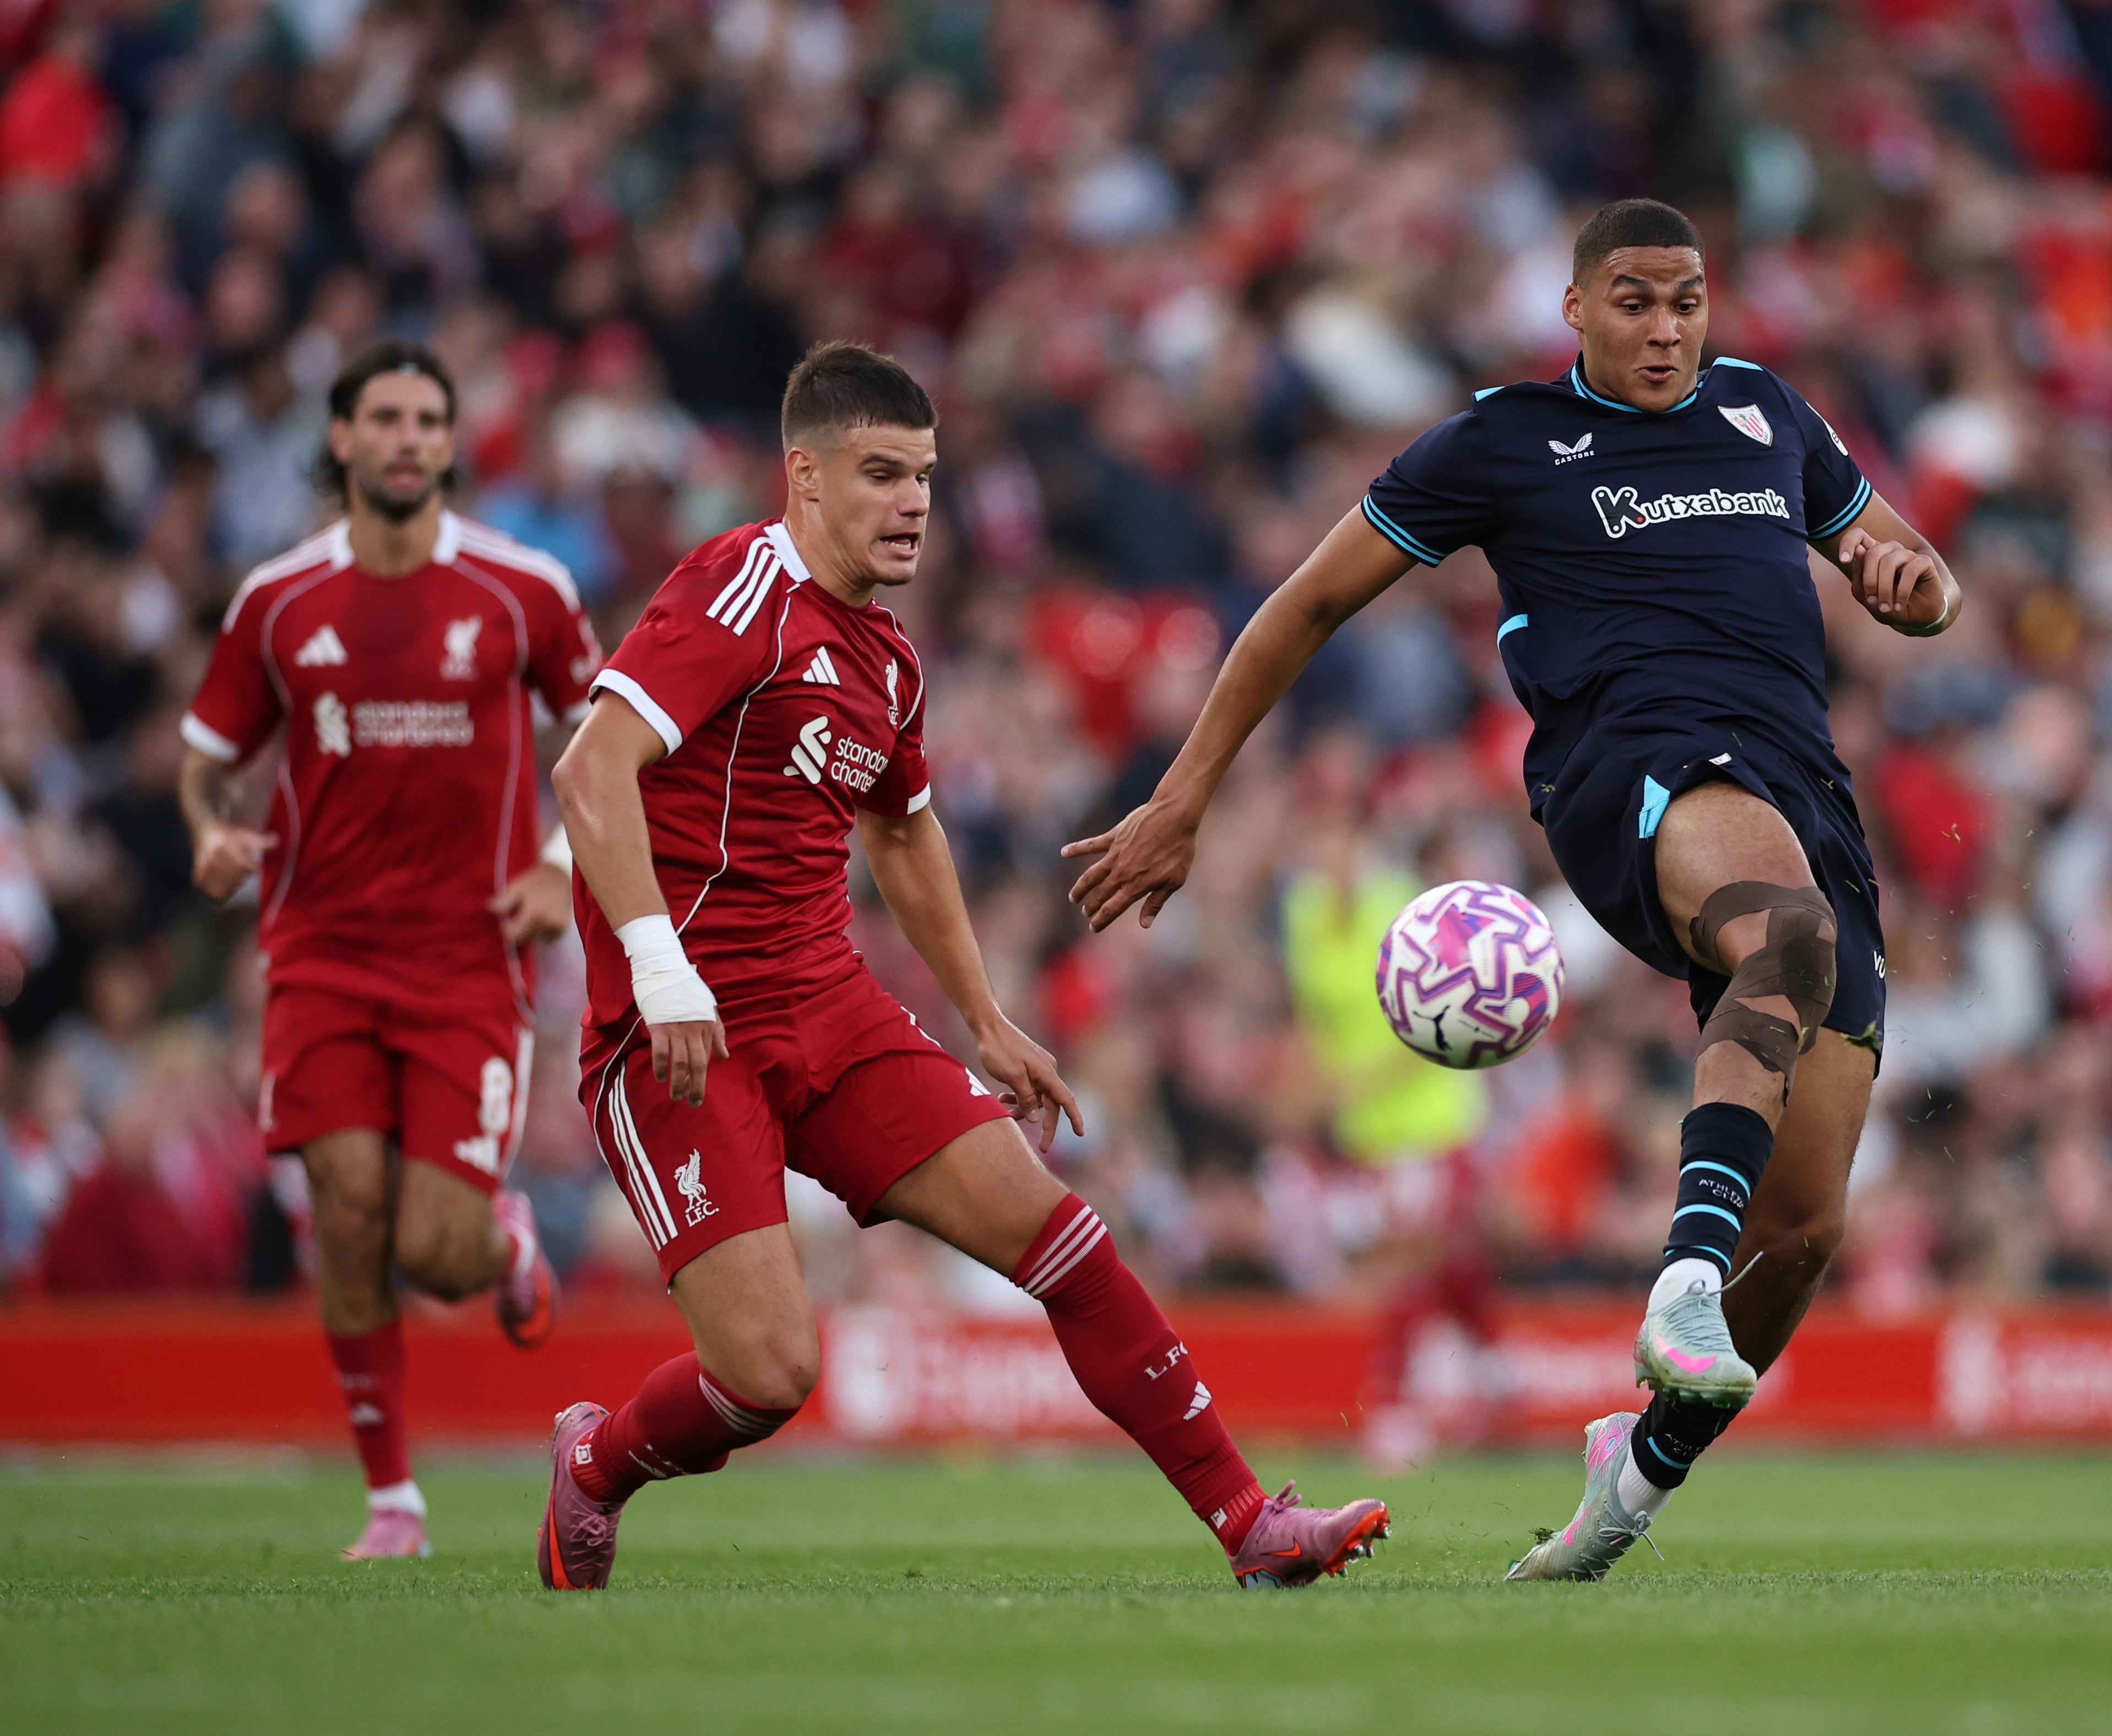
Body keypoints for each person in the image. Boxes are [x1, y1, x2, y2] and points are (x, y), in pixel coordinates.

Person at [1063, 199, 1962, 1581]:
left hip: (1804, 791)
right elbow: (1302, 601)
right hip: (1632, 766)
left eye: (1685, 302)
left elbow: (1908, 573)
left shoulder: (1767, 416)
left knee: (1801, 1232)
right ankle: (1676, 1282)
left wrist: (1915, 588)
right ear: (1573, 307)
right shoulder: (1502, 441)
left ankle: (1632, 1475)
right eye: (1632, 300)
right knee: (1780, 932)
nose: (1663, 329)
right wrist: (1184, 795)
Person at [536, 340, 1387, 1592]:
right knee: (768, 1375)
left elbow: (904, 826)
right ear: (805, 478)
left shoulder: (887, 655)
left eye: (924, 476)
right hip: (679, 1032)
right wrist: (660, 973)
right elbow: (589, 771)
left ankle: (1251, 1525)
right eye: (880, 474)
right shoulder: (738, 587)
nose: (912, 502)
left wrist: (984, 1017)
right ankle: (598, 1461)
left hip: (827, 1005)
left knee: (1069, 1245)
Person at [180, 340, 601, 1560]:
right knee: (345, 1208)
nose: (411, 437)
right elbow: (205, 750)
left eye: (430, 418)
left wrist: (558, 867)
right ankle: (392, 1500)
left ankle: (503, 1240)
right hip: (318, 949)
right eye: (388, 418)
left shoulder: (523, 591)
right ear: (345, 439)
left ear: (450, 442)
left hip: (469, 959)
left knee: (432, 1245)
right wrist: (210, 829)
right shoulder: (279, 601)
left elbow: (614, 735)